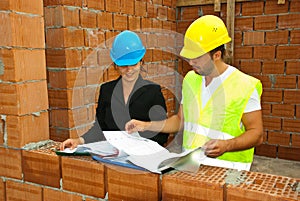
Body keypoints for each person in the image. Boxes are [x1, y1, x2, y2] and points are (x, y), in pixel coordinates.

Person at [125, 15, 263, 171]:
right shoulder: (191, 79)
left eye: (197, 58)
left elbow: (257, 134)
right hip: (191, 166)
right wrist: (145, 125)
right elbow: (180, 121)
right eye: (190, 57)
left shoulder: (245, 85)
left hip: (228, 171)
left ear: (216, 55)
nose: (191, 63)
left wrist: (227, 145)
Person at [60, 30, 169, 150]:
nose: (129, 70)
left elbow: (162, 133)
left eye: (134, 64)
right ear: (116, 65)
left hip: (142, 157)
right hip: (113, 155)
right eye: (123, 66)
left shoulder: (152, 92)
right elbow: (99, 127)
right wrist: (79, 141)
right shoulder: (107, 90)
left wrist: (139, 147)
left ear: (141, 62)